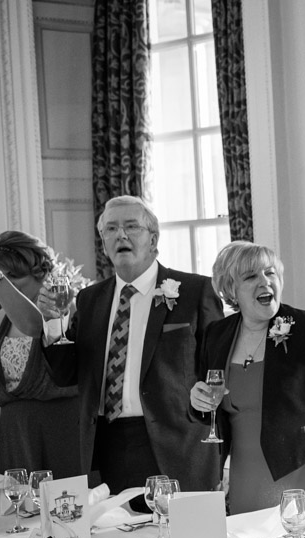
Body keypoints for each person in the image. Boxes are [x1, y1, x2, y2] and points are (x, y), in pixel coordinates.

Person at [35, 196, 224, 495]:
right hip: (105, 447)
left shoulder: (195, 291)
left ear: (153, 238)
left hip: (177, 446)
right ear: (103, 243)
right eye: (111, 229)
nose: (120, 235)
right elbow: (65, 375)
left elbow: (218, 368)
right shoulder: (89, 300)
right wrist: (53, 322)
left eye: (131, 226)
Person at [189, 241, 305, 518]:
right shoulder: (217, 334)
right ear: (231, 289)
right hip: (244, 477)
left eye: (270, 273)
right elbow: (207, 401)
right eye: (251, 277)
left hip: (302, 471)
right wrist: (197, 401)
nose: (265, 282)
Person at [0, 232, 80, 477]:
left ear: (40, 272)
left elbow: (34, 325)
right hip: (15, 429)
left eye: (13, 276)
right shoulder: (0, 319)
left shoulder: (65, 308)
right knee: (18, 508)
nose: (6, 283)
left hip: (59, 426)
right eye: (2, 275)